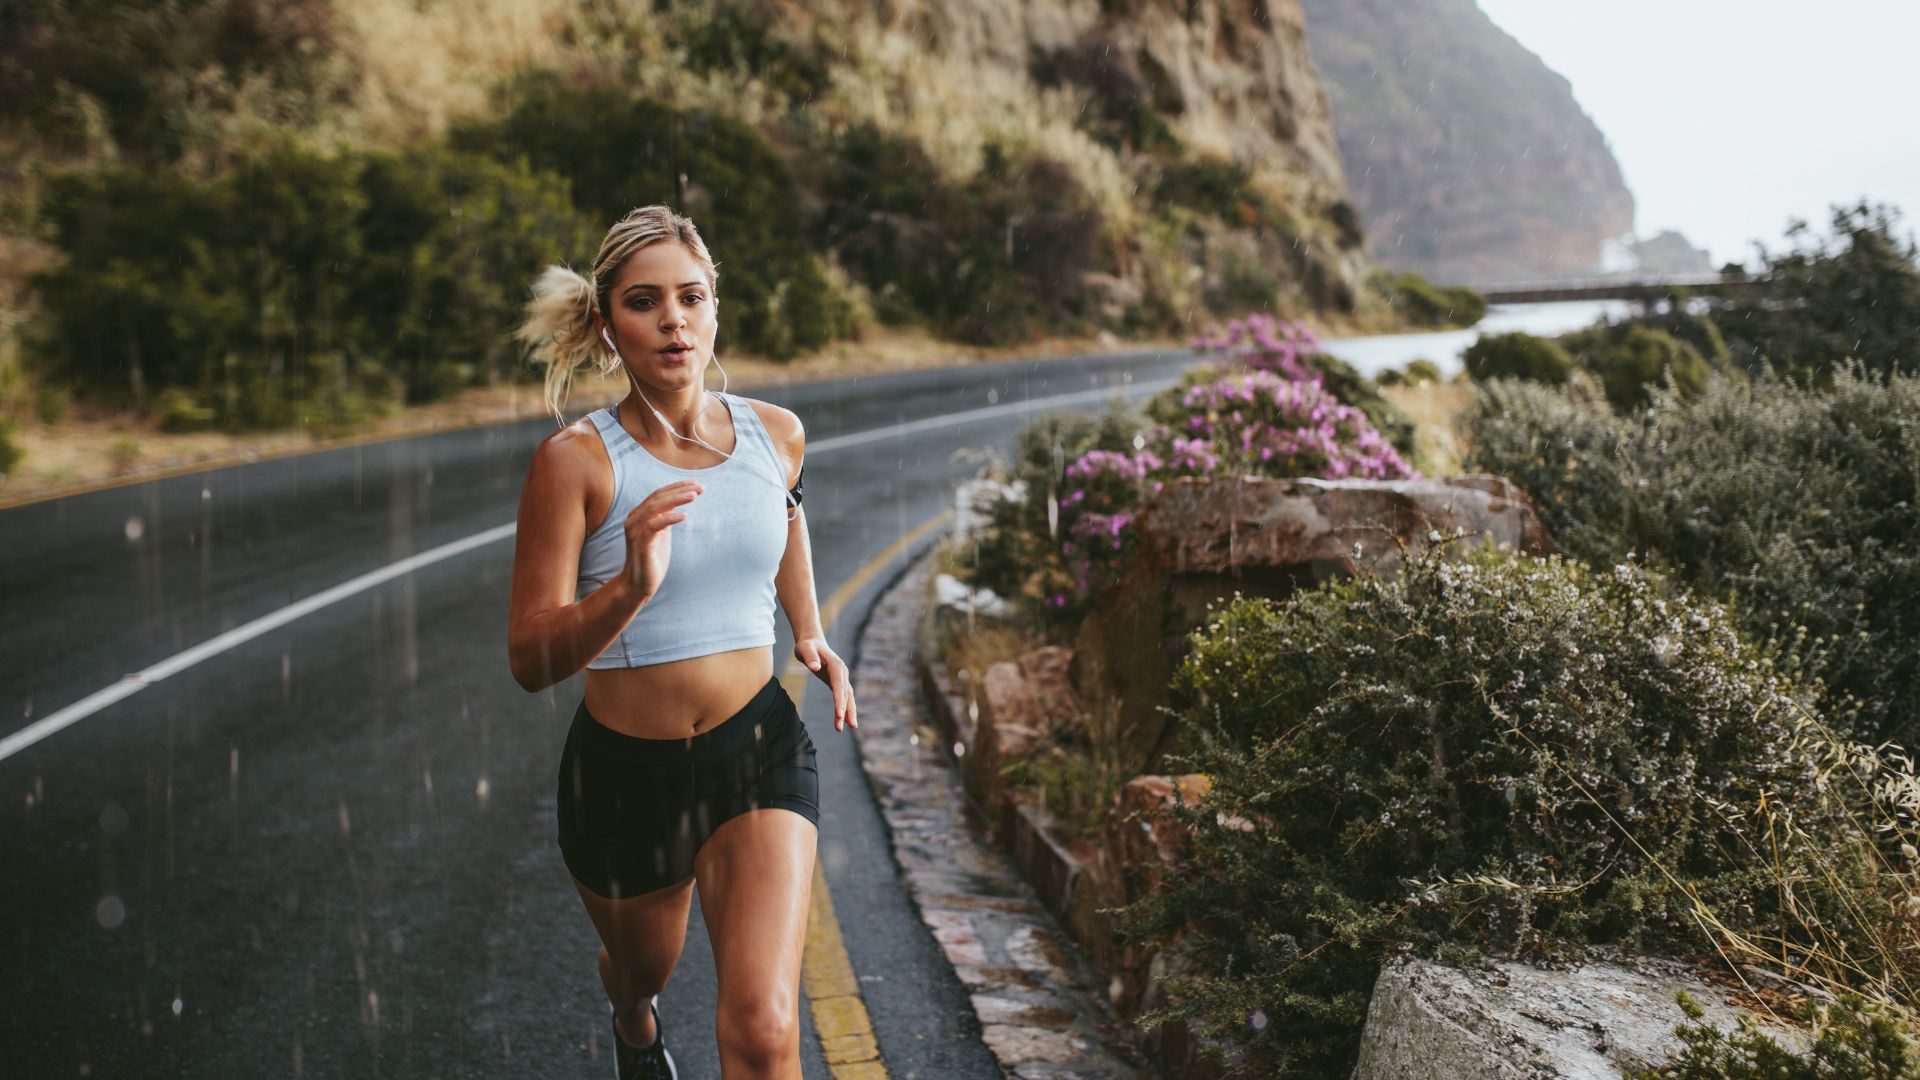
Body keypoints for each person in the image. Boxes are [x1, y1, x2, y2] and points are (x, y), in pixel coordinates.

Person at [507, 204, 855, 1080]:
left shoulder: (777, 435)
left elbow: (784, 512)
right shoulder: (576, 463)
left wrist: (808, 628)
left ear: (714, 309)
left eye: (691, 297)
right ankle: (632, 1017)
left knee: (767, 1028)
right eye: (644, 301)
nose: (673, 320)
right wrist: (627, 588)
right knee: (641, 970)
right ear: (607, 324)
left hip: (757, 750)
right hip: (624, 778)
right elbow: (530, 658)